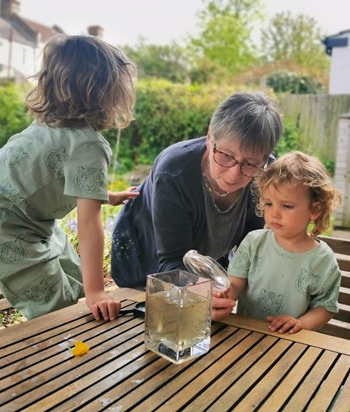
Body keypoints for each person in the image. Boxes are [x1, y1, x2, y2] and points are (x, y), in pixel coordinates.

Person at [0, 35, 138, 321]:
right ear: (101, 90)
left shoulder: (49, 124)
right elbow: (87, 223)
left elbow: (54, 179)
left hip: (16, 217)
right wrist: (97, 291)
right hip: (1, 226)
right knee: (56, 306)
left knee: (74, 277)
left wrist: (106, 197)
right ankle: (49, 356)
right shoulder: (89, 144)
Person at [110, 91, 283, 319]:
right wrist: (204, 294)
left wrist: (224, 292)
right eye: (226, 156)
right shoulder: (174, 172)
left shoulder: (265, 177)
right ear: (210, 137)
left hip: (197, 272)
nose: (234, 174)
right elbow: (170, 262)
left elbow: (248, 250)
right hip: (143, 268)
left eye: (250, 163)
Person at [224, 151, 341, 334]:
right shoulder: (253, 243)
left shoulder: (323, 259)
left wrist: (301, 323)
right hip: (244, 336)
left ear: (315, 209)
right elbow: (235, 284)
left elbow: (325, 307)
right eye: (269, 203)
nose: (274, 213)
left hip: (290, 342)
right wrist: (223, 296)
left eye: (286, 206)